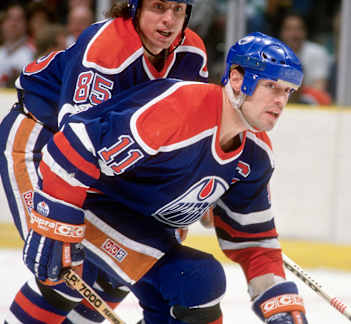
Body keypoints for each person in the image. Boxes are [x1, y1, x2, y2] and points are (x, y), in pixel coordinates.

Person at [14, 31, 307, 324]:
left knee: (193, 281)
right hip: (90, 201)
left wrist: (278, 304)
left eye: (287, 91)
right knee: (196, 278)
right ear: (237, 78)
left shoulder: (254, 156)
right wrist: (56, 224)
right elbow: (73, 145)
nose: (280, 101)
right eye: (271, 86)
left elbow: (252, 238)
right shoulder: (180, 111)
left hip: (141, 221)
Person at [1, 0, 208, 322]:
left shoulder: (192, 52)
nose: (169, 20)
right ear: (134, 8)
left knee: (119, 270)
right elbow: (73, 144)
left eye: (178, 10)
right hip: (41, 142)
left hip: (105, 159)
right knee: (63, 265)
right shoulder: (107, 46)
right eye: (158, 7)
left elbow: (193, 128)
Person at [278, 11, 331, 105]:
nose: (293, 34)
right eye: (289, 29)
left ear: (305, 31)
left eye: (298, 29)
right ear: (282, 32)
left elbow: (319, 90)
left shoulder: (317, 52)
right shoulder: (272, 54)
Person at [0, 2, 35, 88]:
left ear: (26, 24)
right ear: (2, 23)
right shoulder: (1, 51)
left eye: (18, 19)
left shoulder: (33, 52)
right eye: (9, 18)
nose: (13, 23)